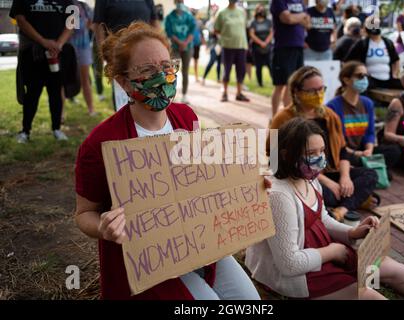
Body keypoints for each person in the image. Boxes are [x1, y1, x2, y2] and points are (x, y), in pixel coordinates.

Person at [74, 22, 260, 300]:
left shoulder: (187, 117)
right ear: (123, 81)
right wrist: (103, 227)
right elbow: (83, 214)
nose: (161, 76)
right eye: (148, 70)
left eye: (166, 65)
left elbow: (206, 179)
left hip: (202, 241)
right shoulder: (100, 143)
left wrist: (248, 186)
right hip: (151, 258)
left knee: (250, 301)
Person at [247, 117, 404, 300]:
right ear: (286, 155)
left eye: (322, 151)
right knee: (370, 296)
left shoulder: (309, 179)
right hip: (301, 275)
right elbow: (289, 264)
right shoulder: (280, 196)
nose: (319, 158)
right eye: (311, 153)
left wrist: (352, 232)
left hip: (324, 252)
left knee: (389, 267)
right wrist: (332, 252)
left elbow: (322, 219)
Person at [268, 66, 378, 223]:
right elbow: (272, 156)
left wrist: (345, 177)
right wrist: (327, 182)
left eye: (321, 89)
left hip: (332, 169)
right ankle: (354, 200)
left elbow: (342, 151)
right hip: (302, 176)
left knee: (370, 175)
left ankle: (341, 209)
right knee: (322, 193)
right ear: (297, 91)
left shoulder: (330, 115)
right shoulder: (283, 118)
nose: (318, 94)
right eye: (312, 91)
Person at [10, 0, 74, 143]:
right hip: (32, 53)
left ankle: (57, 129)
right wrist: (43, 41)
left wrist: (59, 44)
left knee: (56, 92)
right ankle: (25, 131)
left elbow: (72, 23)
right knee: (32, 92)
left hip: (57, 53)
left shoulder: (68, 1)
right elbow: (20, 19)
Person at [327, 61, 401, 171]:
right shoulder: (333, 106)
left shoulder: (367, 103)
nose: (364, 80)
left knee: (394, 151)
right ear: (346, 80)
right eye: (360, 76)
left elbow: (370, 133)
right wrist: (356, 153)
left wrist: (369, 150)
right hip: (344, 152)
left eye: (366, 76)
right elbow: (335, 141)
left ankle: (366, 168)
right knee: (341, 158)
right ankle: (371, 168)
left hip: (363, 150)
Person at [92, 0, 159, 111]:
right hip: (117, 54)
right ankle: (124, 125)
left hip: (146, 53)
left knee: (149, 92)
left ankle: (146, 124)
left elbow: (154, 22)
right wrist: (103, 51)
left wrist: (158, 46)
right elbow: (98, 24)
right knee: (123, 94)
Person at [270, 0, 311, 118]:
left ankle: (289, 117)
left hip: (298, 47)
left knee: (293, 84)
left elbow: (308, 23)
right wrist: (301, 16)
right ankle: (275, 119)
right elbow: (287, 19)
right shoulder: (279, 1)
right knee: (281, 85)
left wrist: (295, 17)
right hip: (283, 48)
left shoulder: (299, 1)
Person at [345, 15, 403, 90]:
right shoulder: (362, 43)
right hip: (370, 80)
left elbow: (396, 60)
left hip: (388, 79)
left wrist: (395, 74)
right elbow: (348, 60)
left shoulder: (388, 43)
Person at [215, 0, 250, 102]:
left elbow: (244, 28)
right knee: (227, 70)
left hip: (241, 46)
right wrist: (224, 38)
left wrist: (246, 44)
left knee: (241, 70)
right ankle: (224, 93)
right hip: (227, 46)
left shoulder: (242, 12)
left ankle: (239, 93)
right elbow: (216, 30)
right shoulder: (221, 13)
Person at [165, 0, 196, 104]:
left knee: (186, 71)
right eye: (178, 1)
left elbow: (192, 31)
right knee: (172, 71)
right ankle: (170, 95)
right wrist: (180, 43)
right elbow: (169, 32)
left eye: (181, 1)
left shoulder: (189, 16)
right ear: (175, 2)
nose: (180, 3)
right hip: (175, 47)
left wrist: (185, 43)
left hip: (188, 47)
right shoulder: (170, 17)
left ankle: (184, 95)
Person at [70, 0, 96, 116]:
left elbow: (92, 23)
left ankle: (91, 109)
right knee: (63, 80)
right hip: (66, 47)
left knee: (85, 79)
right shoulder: (63, 4)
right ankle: (61, 113)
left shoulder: (84, 6)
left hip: (83, 46)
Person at [249, 4, 273, 87]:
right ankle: (260, 83)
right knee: (258, 66)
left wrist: (266, 42)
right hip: (257, 48)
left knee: (270, 65)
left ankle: (274, 81)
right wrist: (260, 42)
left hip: (268, 47)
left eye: (262, 9)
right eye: (259, 9)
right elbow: (252, 34)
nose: (261, 11)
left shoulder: (268, 21)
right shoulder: (253, 22)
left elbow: (271, 32)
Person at [202, 14, 222, 84]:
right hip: (214, 46)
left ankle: (218, 78)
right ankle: (203, 78)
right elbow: (211, 33)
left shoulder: (222, 25)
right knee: (211, 62)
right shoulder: (212, 25)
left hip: (221, 46)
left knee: (219, 63)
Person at [191, 9, 205, 83]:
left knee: (195, 60)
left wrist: (204, 42)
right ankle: (195, 77)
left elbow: (202, 33)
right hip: (190, 43)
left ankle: (196, 76)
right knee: (194, 60)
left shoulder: (199, 22)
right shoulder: (188, 21)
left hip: (196, 43)